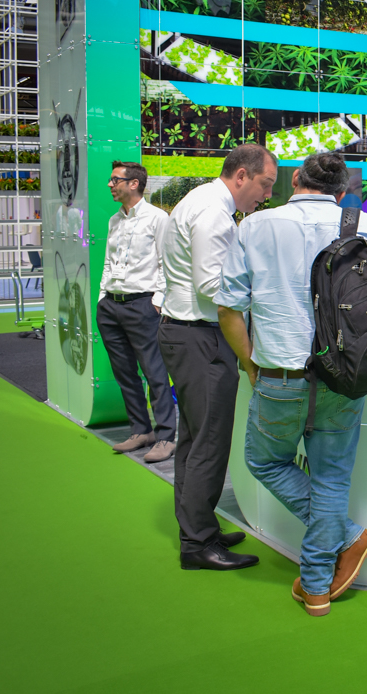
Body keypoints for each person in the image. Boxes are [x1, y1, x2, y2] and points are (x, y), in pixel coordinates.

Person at [215, 151, 367, 616]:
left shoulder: (255, 226)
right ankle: (319, 582)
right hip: (345, 375)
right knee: (331, 478)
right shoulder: (362, 224)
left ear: (294, 181)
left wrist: (248, 362)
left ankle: (334, 561)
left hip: (279, 374)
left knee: (264, 461)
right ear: (342, 192)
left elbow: (228, 308)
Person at [159, 143, 277, 571]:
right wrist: (264, 292)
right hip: (201, 337)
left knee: (194, 439)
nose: (267, 195)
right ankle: (198, 544)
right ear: (241, 175)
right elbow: (213, 287)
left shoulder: (201, 202)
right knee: (208, 441)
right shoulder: (213, 214)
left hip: (186, 332)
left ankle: (197, 525)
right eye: (265, 184)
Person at [97, 161, 177, 462]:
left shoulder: (158, 218)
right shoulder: (114, 220)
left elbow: (167, 262)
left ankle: (166, 436)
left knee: (155, 373)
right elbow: (108, 261)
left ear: (134, 183)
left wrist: (158, 300)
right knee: (125, 374)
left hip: (143, 305)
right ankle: (141, 431)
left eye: (115, 179)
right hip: (111, 305)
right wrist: (102, 296)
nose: (110, 184)